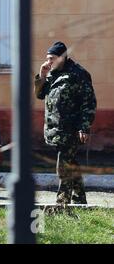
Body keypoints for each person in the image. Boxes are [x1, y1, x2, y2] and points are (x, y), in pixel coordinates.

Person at [34, 41, 96, 205]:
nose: (49, 62)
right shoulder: (53, 73)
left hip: (71, 128)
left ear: (63, 57)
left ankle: (62, 202)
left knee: (63, 165)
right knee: (70, 162)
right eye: (47, 58)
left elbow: (88, 103)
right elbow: (40, 95)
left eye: (52, 58)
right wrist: (42, 75)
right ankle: (80, 197)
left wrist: (84, 126)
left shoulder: (78, 74)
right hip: (56, 129)